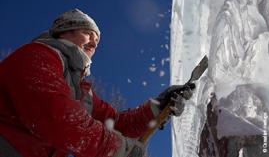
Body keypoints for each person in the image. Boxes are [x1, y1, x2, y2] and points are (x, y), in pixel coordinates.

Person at [0, 9, 194, 157]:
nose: (93, 43)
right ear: (63, 32)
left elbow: (116, 123)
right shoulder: (37, 56)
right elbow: (59, 120)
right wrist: (119, 149)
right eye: (87, 33)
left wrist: (157, 107)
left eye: (97, 40)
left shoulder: (81, 92)